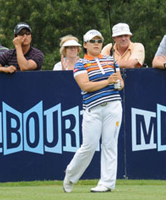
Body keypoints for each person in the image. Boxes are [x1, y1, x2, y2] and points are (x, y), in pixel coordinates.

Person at [63, 29, 124, 193]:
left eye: (99, 41)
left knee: (110, 144)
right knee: (89, 146)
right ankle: (70, 175)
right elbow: (85, 86)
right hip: (93, 108)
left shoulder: (111, 60)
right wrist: (107, 81)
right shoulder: (80, 64)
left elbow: (121, 83)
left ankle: (107, 183)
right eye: (93, 41)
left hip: (113, 106)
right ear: (85, 45)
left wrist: (117, 82)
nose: (97, 44)